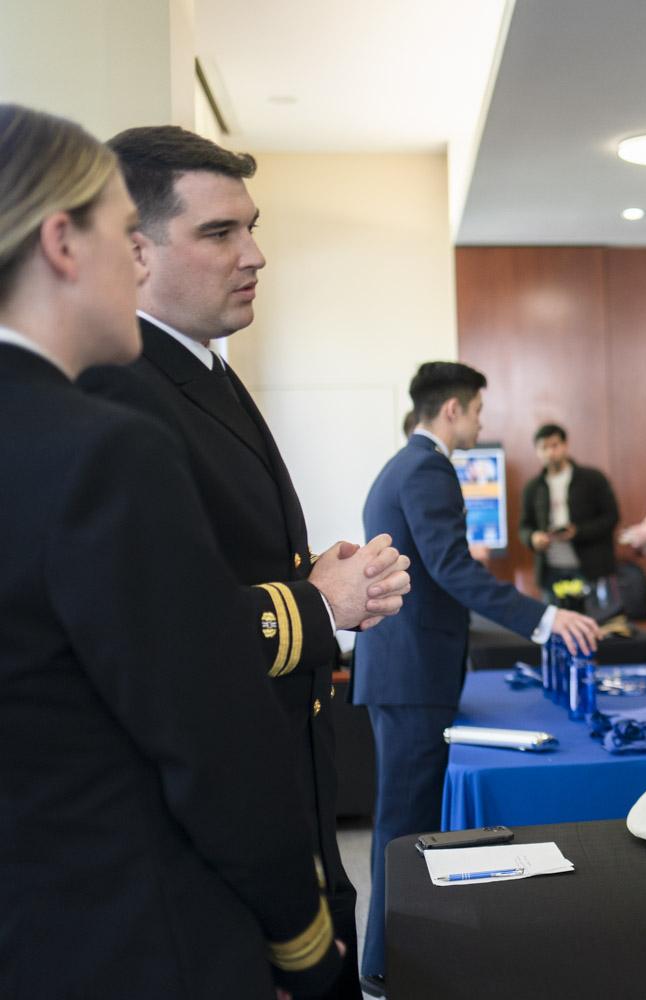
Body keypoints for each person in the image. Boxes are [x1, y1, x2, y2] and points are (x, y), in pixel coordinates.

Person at [0, 102, 344, 999]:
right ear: (64, 244)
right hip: (133, 929)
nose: (136, 261)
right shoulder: (98, 444)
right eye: (125, 234)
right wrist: (301, 942)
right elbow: (208, 735)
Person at [75, 125, 410, 998]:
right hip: (200, 863)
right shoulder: (117, 389)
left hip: (281, 809)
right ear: (134, 252)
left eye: (251, 226)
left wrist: (320, 582)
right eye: (219, 233)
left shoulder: (201, 369)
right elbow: (148, 642)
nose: (255, 254)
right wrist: (312, 604)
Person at [354, 362, 599, 992]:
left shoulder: (402, 465)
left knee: (402, 822)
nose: (483, 422)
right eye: (479, 410)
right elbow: (452, 570)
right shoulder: (429, 468)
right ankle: (384, 966)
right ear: (453, 410)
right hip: (412, 675)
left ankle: (391, 957)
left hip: (401, 668)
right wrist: (544, 617)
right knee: (403, 826)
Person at [520, 422, 621, 600]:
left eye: (555, 445)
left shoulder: (592, 479)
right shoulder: (533, 488)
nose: (550, 453)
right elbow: (524, 526)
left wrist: (578, 532)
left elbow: (612, 517)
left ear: (565, 445)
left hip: (590, 569)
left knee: (598, 622)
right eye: (544, 448)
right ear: (537, 451)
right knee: (555, 624)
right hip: (551, 570)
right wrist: (533, 538)